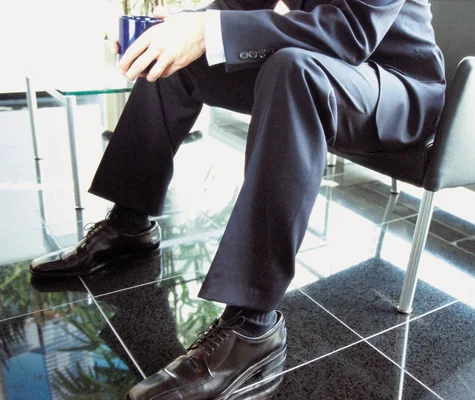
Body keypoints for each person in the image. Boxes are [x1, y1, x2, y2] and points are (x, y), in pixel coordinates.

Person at [30, 0, 446, 398]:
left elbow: (349, 33)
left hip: (396, 86)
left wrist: (208, 30)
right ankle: (128, 224)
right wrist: (184, 24)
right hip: (325, 66)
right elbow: (236, 6)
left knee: (293, 68)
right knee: (176, 58)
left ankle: (252, 327)